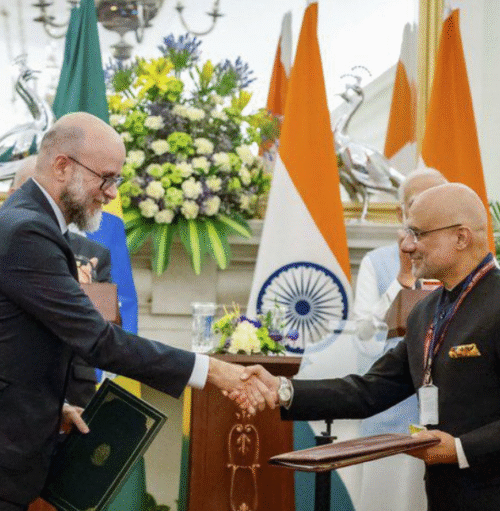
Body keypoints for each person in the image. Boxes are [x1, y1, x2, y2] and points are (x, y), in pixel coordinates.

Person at [0, 112, 266, 511]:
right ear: (62, 166)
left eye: (117, 181)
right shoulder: (27, 231)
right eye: (105, 178)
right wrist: (212, 370)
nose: (111, 194)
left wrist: (52, 409)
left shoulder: (29, 223)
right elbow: (97, 339)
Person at [238, 183, 500, 511]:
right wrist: (283, 390)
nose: (407, 246)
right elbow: (370, 390)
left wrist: (461, 449)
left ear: (461, 238)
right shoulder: (425, 311)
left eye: (418, 234)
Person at [351, 168, 447, 511]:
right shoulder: (377, 263)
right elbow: (364, 336)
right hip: (391, 420)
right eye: (419, 203)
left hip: (450, 427)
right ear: (400, 213)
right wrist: (401, 281)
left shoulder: (465, 262)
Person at [8, 155, 113, 408]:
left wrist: (85, 290)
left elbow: (105, 324)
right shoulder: (11, 237)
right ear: (14, 194)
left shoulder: (93, 252)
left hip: (75, 381)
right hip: (18, 384)